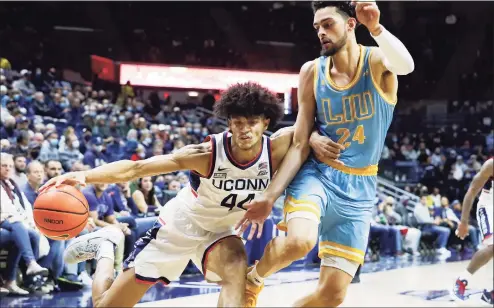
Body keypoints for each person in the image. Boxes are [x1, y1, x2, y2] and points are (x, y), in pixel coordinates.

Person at [40, 82, 339, 307]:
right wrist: (85, 175)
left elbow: (306, 131)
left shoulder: (276, 147)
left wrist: (313, 137)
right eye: (237, 123)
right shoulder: (206, 153)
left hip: (221, 231)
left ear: (266, 123)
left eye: (252, 123)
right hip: (179, 227)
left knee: (237, 268)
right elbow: (137, 169)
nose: (245, 130)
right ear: (229, 123)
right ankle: (106, 248)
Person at [236, 1, 414, 307]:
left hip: (360, 187)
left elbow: (406, 66)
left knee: (332, 295)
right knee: (300, 241)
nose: (321, 32)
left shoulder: (376, 62)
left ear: (350, 24)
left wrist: (376, 28)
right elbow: (300, 141)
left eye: (328, 24)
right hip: (318, 174)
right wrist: (269, 195)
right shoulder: (311, 71)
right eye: (317, 27)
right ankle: (253, 279)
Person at [452, 158, 493, 305]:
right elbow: (471, 192)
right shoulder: (491, 165)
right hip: (488, 205)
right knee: (492, 246)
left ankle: (490, 294)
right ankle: (462, 281)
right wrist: (464, 222)